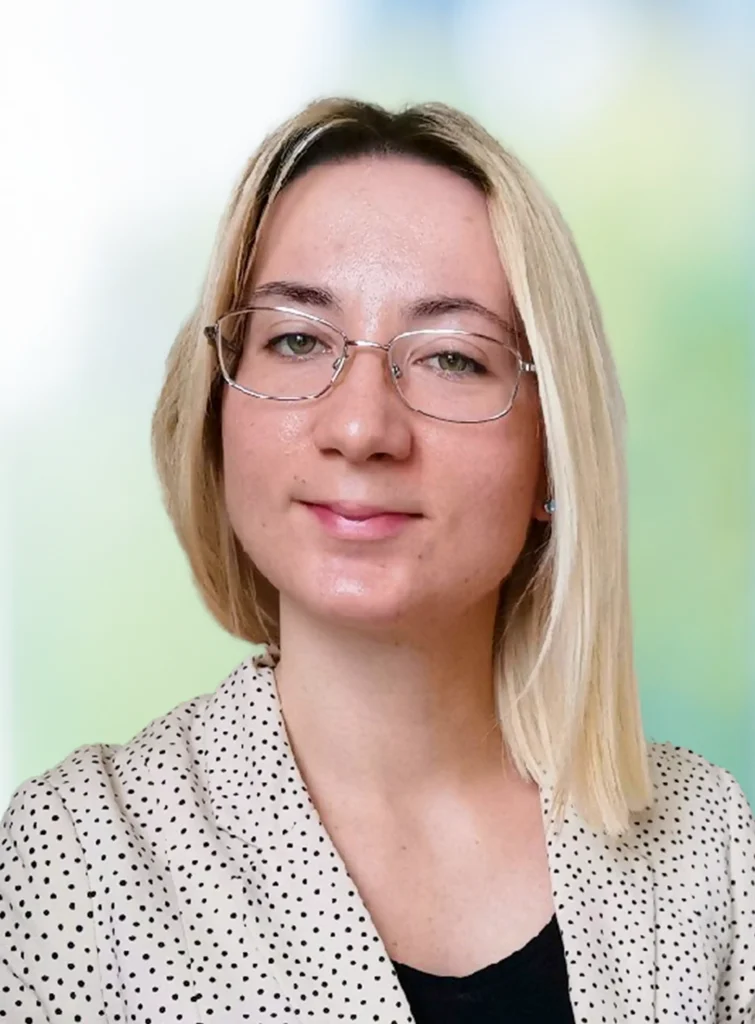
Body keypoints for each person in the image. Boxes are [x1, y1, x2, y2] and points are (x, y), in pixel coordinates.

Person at [1, 97, 753, 1024]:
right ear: (217, 412)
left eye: (451, 358)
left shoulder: (705, 844)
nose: (360, 428)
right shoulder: (77, 856)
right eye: (296, 339)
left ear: (552, 453)